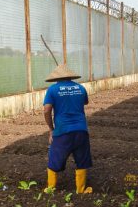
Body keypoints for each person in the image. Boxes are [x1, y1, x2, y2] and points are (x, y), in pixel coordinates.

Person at [43, 64, 92, 194]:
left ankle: (51, 188)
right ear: (71, 76)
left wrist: (50, 129)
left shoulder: (52, 90)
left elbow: (47, 109)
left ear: (56, 78)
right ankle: (81, 189)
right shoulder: (81, 88)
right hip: (81, 130)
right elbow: (85, 102)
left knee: (54, 159)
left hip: (62, 131)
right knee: (82, 159)